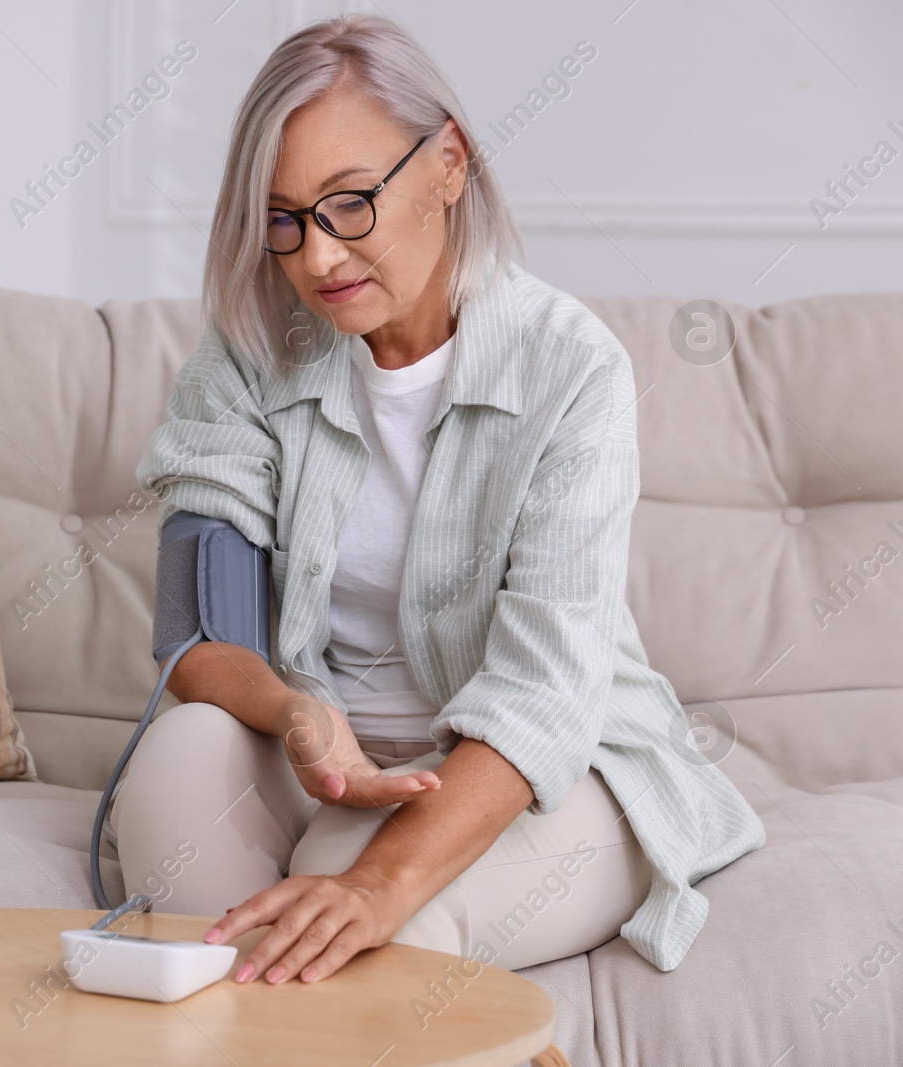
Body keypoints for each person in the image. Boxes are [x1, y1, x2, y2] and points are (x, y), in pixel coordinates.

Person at [116, 11, 764, 985]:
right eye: (285, 219)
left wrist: (377, 883)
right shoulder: (247, 357)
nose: (317, 259)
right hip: (327, 756)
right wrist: (292, 708)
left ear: (448, 163)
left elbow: (544, 696)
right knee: (176, 760)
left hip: (541, 772)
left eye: (349, 204)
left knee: (353, 919)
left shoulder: (569, 369)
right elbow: (196, 634)